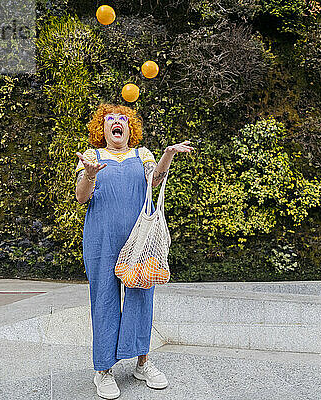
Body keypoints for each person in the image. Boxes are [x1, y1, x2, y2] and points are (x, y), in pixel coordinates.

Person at [75, 103, 194, 399]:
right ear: (102, 129)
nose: (117, 123)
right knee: (103, 297)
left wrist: (167, 155)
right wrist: (89, 175)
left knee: (142, 294)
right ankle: (103, 370)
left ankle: (142, 361)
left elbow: (154, 181)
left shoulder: (143, 154)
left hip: (141, 239)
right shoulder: (92, 157)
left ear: (130, 128)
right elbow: (81, 198)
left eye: (123, 119)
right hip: (101, 238)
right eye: (111, 120)